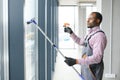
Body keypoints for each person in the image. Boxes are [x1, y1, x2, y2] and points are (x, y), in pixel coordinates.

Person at [64, 12, 107, 80]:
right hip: (86, 68)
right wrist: (71, 33)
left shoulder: (99, 36)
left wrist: (76, 61)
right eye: (87, 18)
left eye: (90, 19)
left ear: (98, 20)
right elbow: (80, 42)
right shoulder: (90, 34)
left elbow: (97, 58)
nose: (87, 20)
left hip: (93, 71)